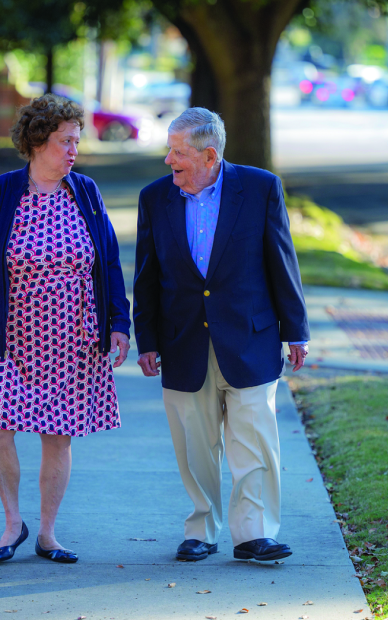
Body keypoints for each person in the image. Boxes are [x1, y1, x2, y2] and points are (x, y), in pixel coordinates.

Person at [0, 94, 131, 565]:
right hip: (13, 335)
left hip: (74, 336)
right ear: (36, 142)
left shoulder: (86, 192)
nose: (73, 150)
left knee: (58, 434)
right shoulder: (3, 192)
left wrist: (119, 324)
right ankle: (13, 523)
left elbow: (109, 262)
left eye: (77, 140)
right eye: (64, 140)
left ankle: (47, 533)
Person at [132, 107, 310, 562]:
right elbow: (147, 277)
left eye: (177, 152)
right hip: (181, 340)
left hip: (250, 338)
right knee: (196, 447)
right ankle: (201, 529)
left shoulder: (260, 188)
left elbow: (280, 260)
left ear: (209, 155)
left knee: (253, 441)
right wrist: (146, 340)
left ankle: (254, 533)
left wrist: (296, 331)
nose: (168, 161)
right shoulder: (155, 198)